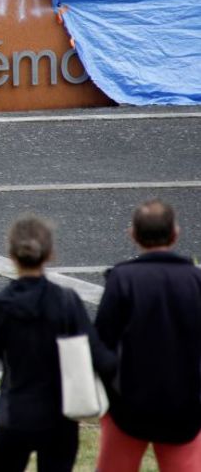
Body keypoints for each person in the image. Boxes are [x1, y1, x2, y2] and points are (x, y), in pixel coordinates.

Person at [0, 215, 113, 471]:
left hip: (14, 416)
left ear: (11, 254)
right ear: (50, 254)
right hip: (60, 420)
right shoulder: (67, 301)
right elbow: (99, 356)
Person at [94, 200, 201, 471]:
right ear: (175, 234)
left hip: (128, 404)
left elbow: (103, 340)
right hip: (184, 404)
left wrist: (108, 387)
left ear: (133, 234)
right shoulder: (195, 280)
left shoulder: (121, 278)